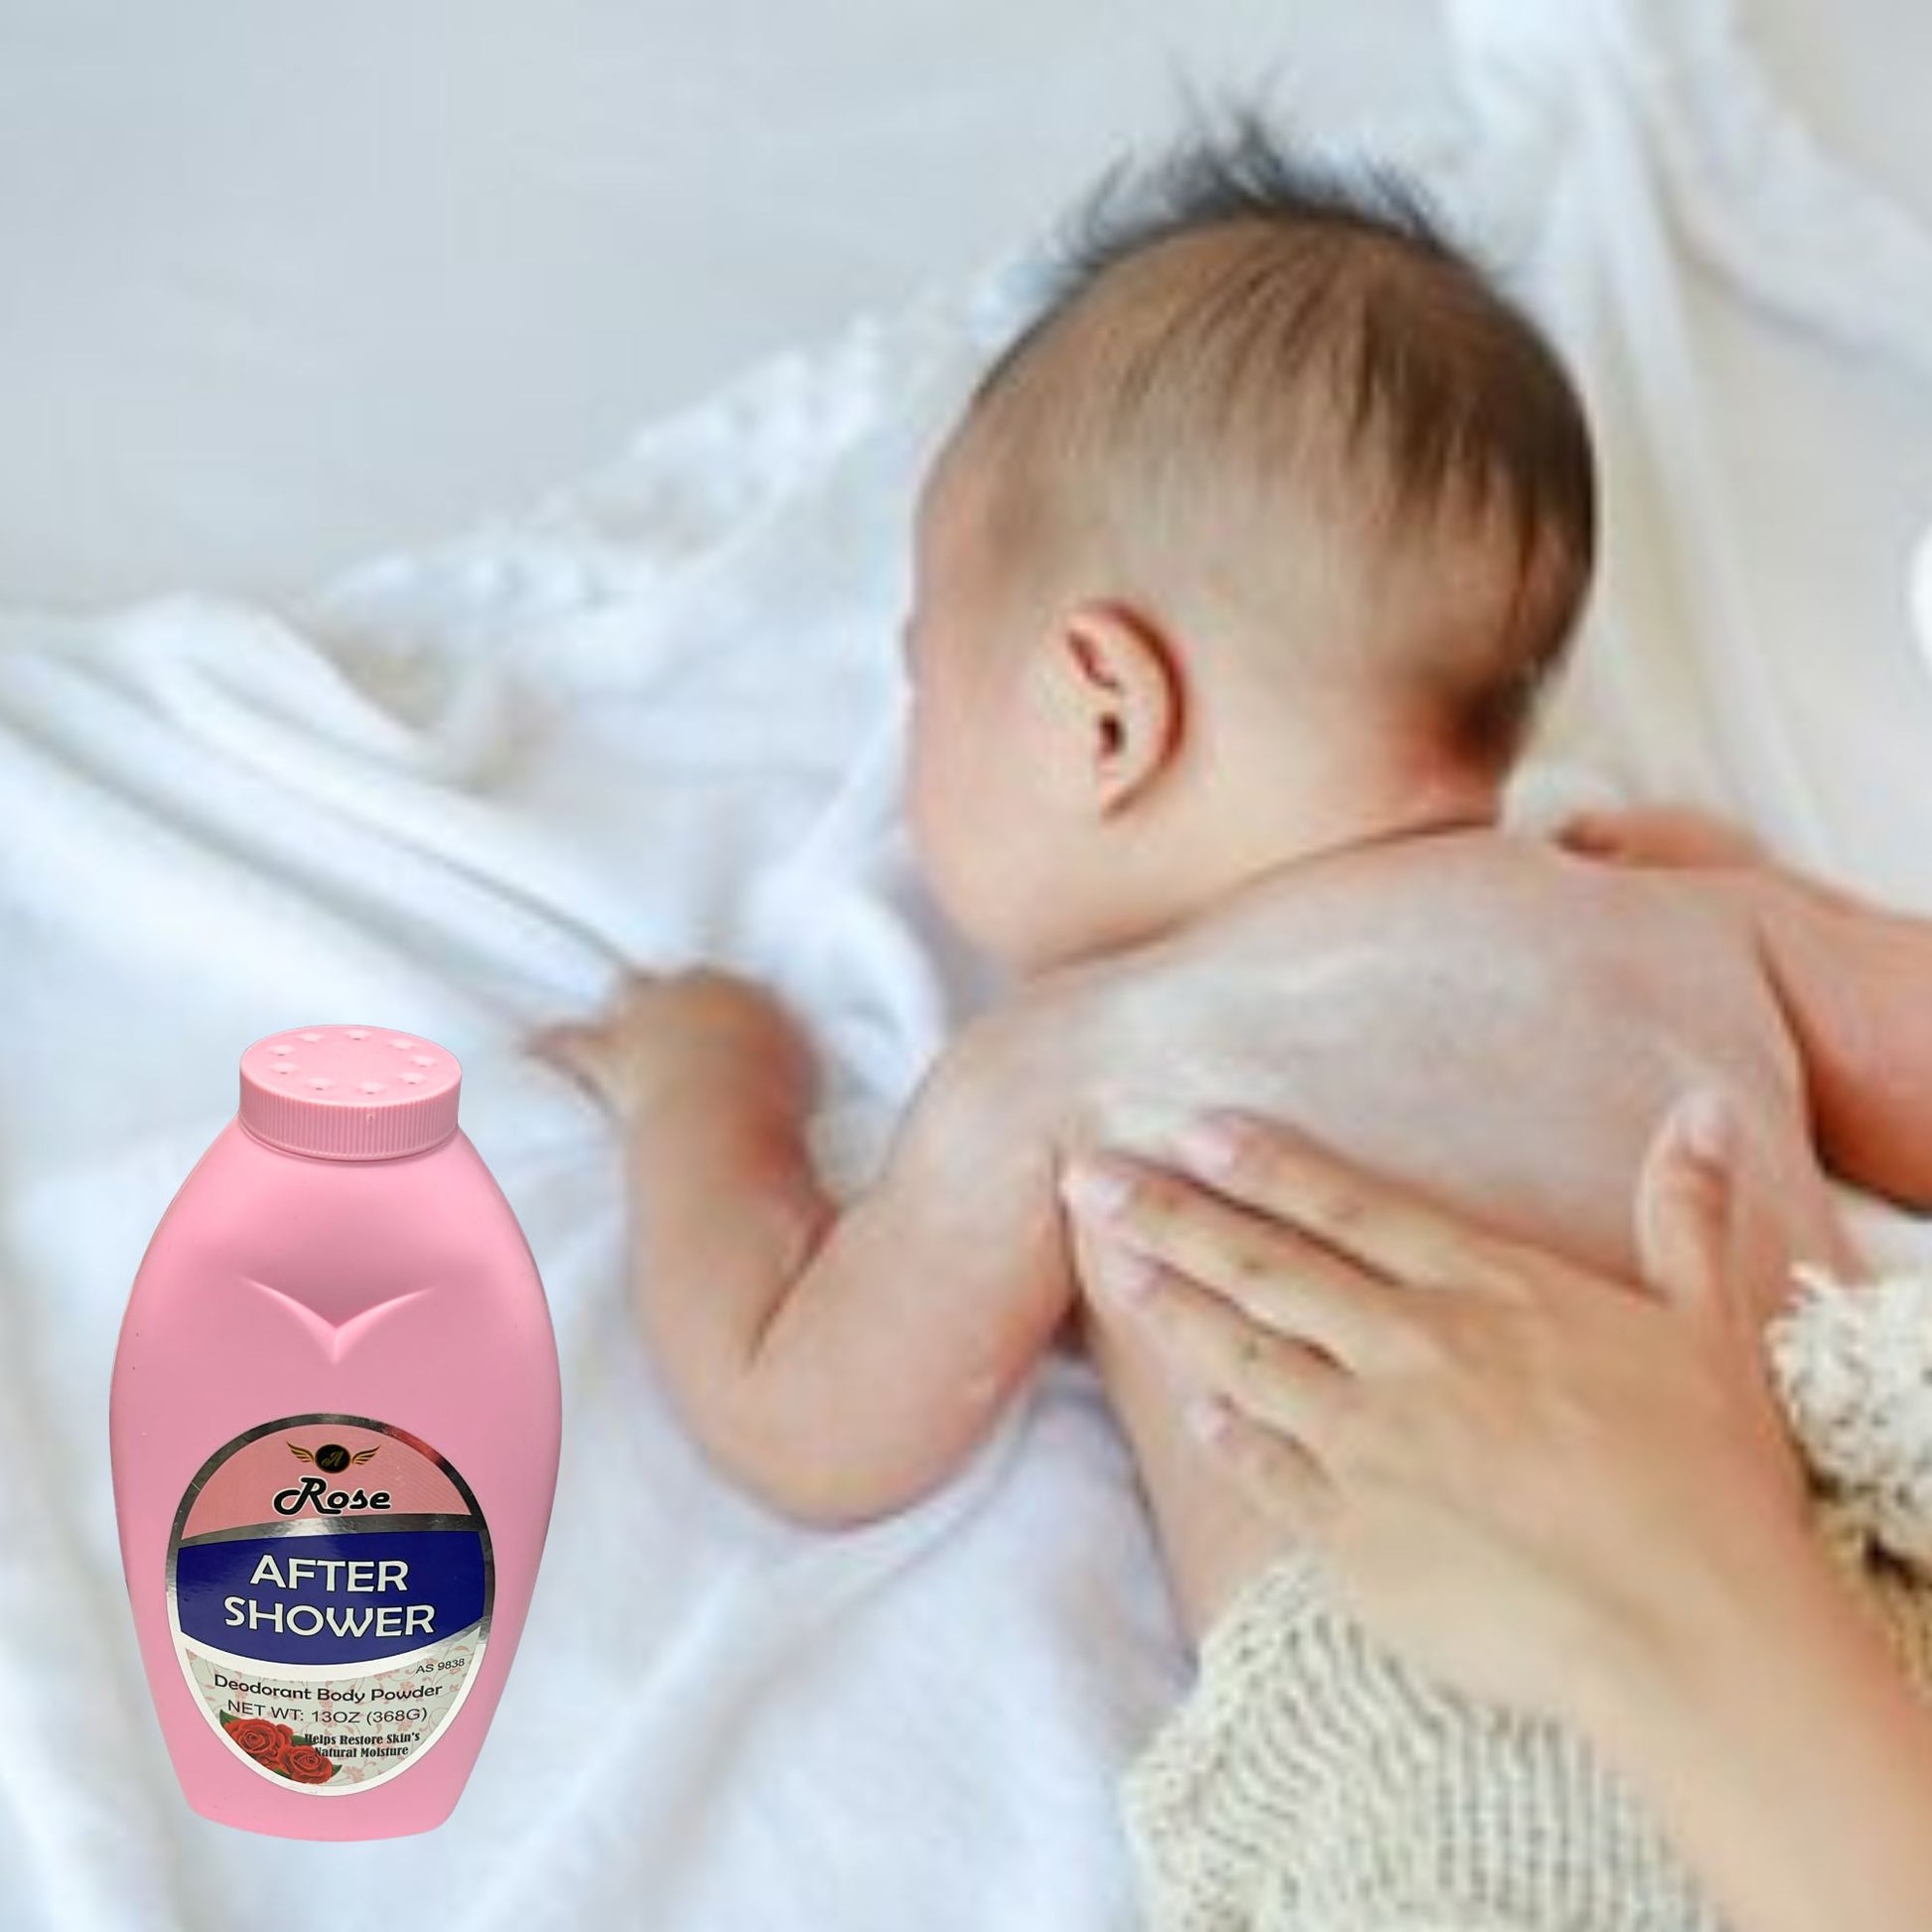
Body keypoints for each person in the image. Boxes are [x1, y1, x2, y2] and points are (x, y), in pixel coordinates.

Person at [528, 119, 1932, 1927]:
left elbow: (810, 1415)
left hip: (1452, 1704)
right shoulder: (1656, 921)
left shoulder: (1069, 1068)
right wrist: (1763, 895)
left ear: (1098, 707)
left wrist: (702, 1092)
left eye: (922, 673)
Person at [1058, 1082, 1932, 1932]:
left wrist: (1677, 1583)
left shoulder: (1699, 938)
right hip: (1431, 1635)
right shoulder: (1059, 1063)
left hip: (1576, 1590)